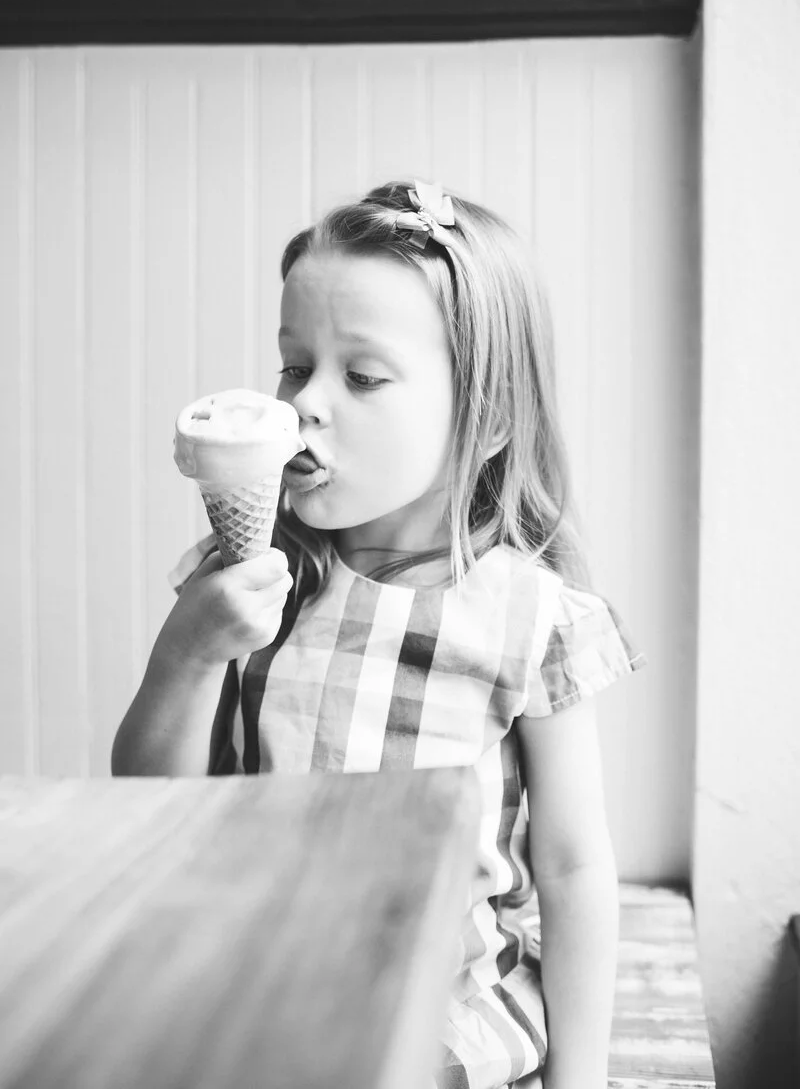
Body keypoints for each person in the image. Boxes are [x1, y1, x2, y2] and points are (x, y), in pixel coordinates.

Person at [112, 179, 646, 1089]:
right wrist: (186, 654)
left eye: (360, 377)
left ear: (488, 417)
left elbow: (573, 865)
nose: (305, 403)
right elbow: (150, 803)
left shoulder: (527, 615)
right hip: (255, 996)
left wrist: (581, 1077)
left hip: (439, 1017)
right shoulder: (250, 577)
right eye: (293, 365)